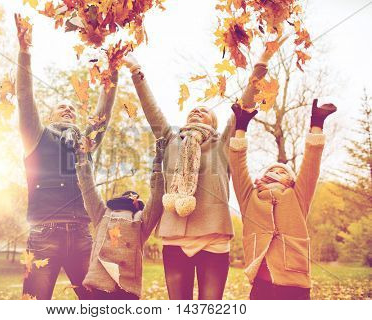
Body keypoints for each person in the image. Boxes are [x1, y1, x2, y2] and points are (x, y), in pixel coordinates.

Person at [121, 38, 286, 300]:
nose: (197, 111)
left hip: (213, 239)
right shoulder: (172, 139)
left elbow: (244, 105)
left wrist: (262, 63)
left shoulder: (222, 144)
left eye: (204, 111)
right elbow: (151, 110)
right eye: (193, 111)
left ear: (214, 121)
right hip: (175, 238)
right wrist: (136, 72)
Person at [14, 14, 118, 300]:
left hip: (83, 235)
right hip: (43, 236)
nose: (68, 109)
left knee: (98, 303)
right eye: (61, 107)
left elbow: (102, 116)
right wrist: (24, 52)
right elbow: (24, 97)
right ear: (48, 117)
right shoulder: (36, 136)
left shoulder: (84, 143)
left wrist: (112, 72)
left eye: (72, 108)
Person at [228, 99, 337, 300]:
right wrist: (241, 127)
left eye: (282, 171)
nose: (276, 172)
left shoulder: (297, 196)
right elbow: (237, 166)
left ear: (291, 180)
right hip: (261, 284)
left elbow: (311, 163)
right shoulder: (250, 197)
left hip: (294, 284)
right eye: (271, 170)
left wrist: (316, 125)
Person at [75, 138, 167, 299]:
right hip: (99, 281)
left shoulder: (141, 220)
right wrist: (82, 159)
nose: (131, 199)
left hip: (127, 284)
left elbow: (157, 198)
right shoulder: (102, 213)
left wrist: (158, 166)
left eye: (134, 198)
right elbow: (88, 189)